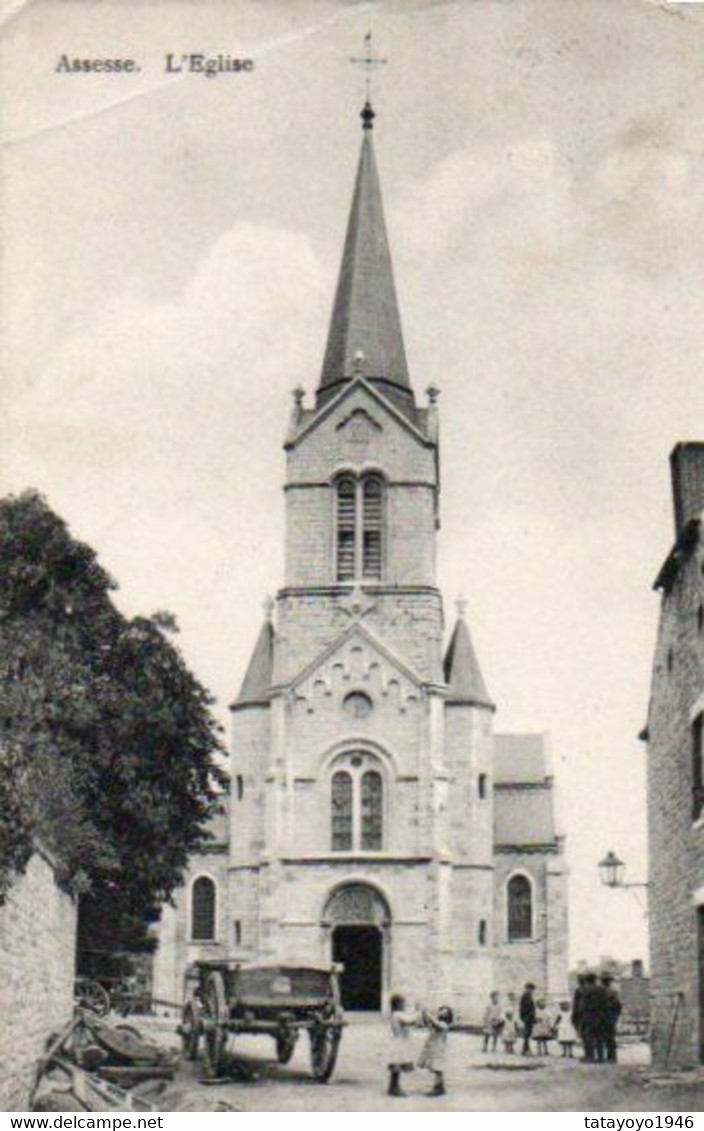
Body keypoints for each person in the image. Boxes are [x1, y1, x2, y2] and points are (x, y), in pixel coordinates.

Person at [386, 994, 419, 1097]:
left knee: (396, 1067)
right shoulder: (398, 1014)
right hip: (399, 1043)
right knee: (397, 1066)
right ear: (398, 1004)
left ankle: (392, 1087)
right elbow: (409, 1020)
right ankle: (395, 1088)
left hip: (398, 1042)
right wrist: (418, 1012)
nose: (404, 1005)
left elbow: (408, 1022)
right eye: (402, 1003)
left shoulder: (395, 1014)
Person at [418, 1005, 453, 1097]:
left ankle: (438, 1087)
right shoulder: (437, 1023)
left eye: (444, 1012)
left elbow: (436, 1023)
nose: (441, 1013)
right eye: (441, 1011)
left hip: (438, 1049)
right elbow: (428, 1023)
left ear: (448, 1016)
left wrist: (428, 1014)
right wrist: (424, 1014)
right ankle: (439, 1086)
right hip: (433, 1048)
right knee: (435, 1068)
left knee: (438, 1068)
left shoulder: (445, 1025)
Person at [579, 973, 607, 1063]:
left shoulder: (586, 990)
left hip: (589, 1016)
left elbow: (582, 1005)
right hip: (601, 1016)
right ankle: (601, 1057)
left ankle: (590, 1057)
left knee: (589, 1037)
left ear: (587, 980)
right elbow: (606, 1003)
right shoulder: (602, 989)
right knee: (599, 1037)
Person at [601, 974, 622, 1064]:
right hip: (610, 1018)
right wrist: (616, 1016)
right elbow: (618, 1006)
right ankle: (612, 1057)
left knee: (601, 1038)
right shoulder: (614, 992)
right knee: (611, 1038)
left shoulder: (600, 992)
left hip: (601, 1018)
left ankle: (603, 1057)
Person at [518, 982, 537, 1055]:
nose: (532, 991)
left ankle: (526, 1049)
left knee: (527, 1034)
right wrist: (530, 1016)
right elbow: (527, 1008)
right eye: (531, 989)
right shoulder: (526, 995)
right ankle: (525, 1049)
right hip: (528, 1017)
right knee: (527, 1034)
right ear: (528, 988)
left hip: (527, 1017)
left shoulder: (527, 995)